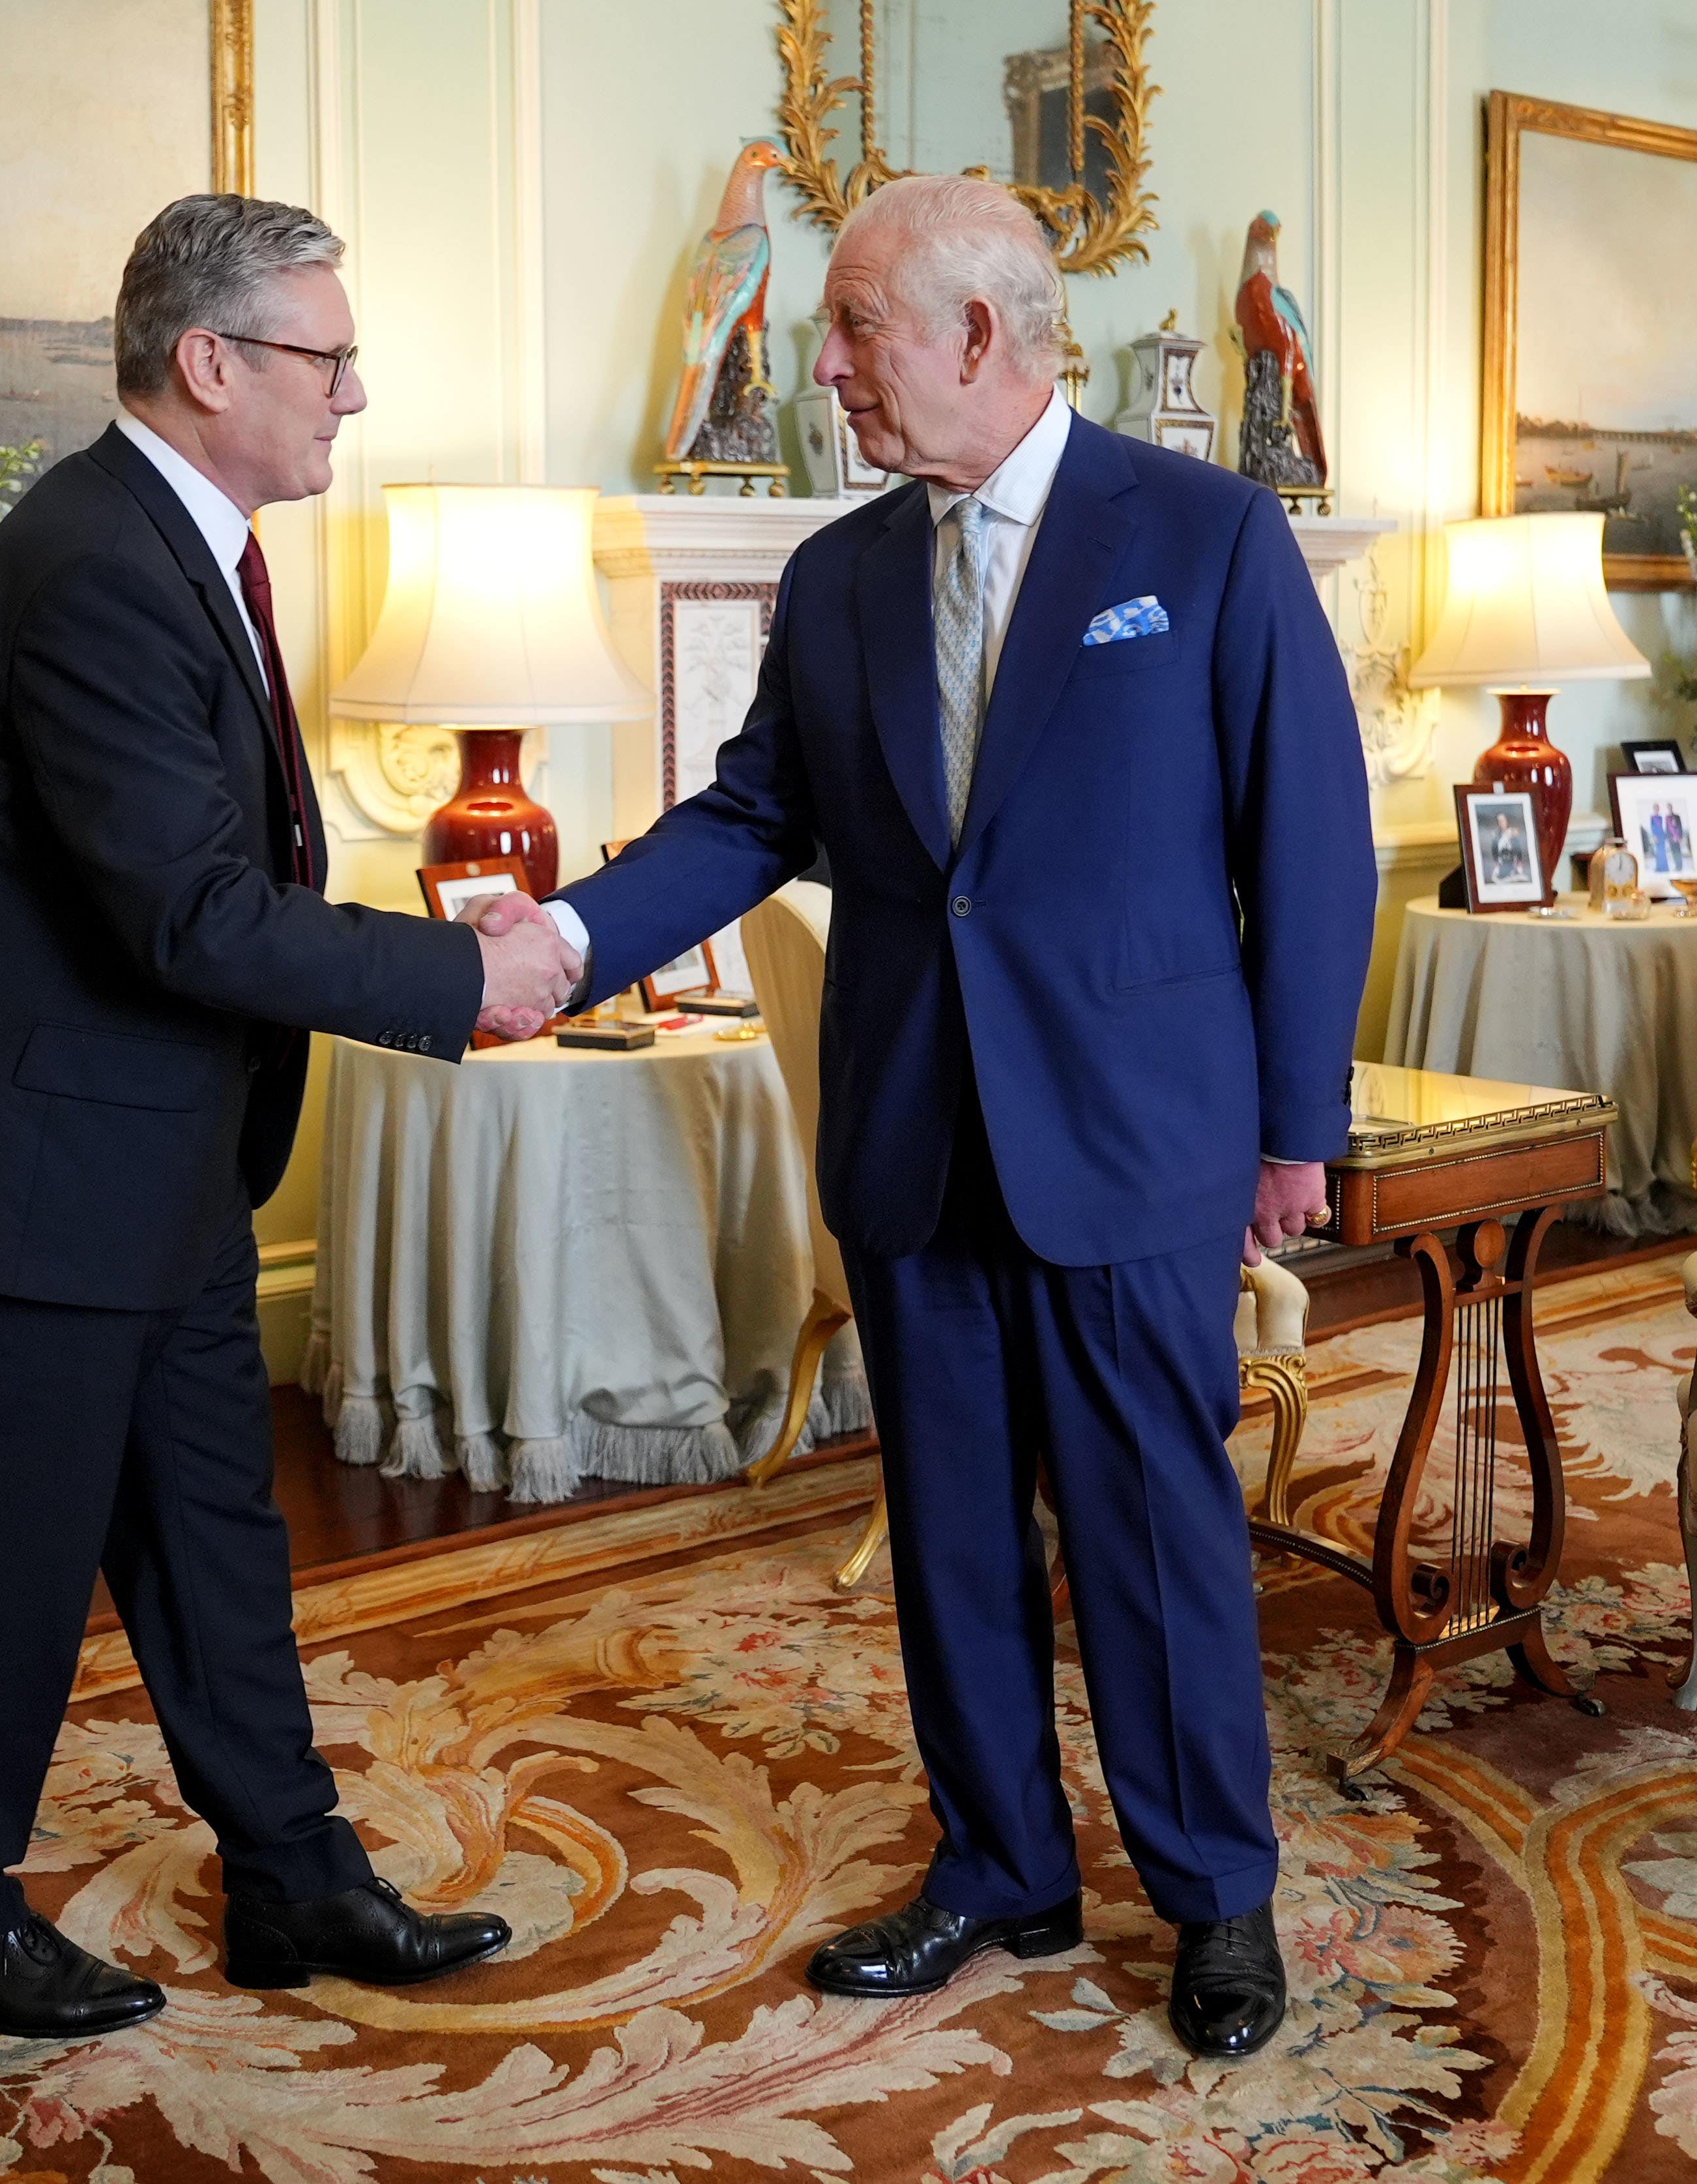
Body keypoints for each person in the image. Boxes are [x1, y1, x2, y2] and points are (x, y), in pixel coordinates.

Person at [544, 175, 1376, 2061]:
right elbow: (755, 815)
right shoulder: (838, 573)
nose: (821, 366)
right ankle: (999, 1860)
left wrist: (1292, 1120)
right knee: (947, 1533)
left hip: (1135, 1132)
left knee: (1149, 1529)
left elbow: (1307, 846)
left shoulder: (1211, 533)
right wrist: (573, 935)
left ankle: (1212, 1892)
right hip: (917, 1133)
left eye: (851, 330)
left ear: (978, 336)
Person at [0, 192, 580, 2040]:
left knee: (208, 1529)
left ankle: (292, 1871)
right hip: (45, 1164)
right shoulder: (98, 560)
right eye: (326, 357)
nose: (352, 392)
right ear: (212, 361)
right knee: (16, 1558)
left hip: (150, 1152)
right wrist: (451, 978)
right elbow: (183, 909)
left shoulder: (180, 541)